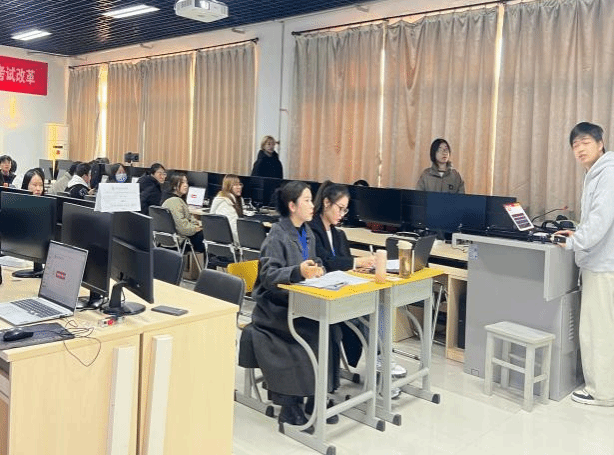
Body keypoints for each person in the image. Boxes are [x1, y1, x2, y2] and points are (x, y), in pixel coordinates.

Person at [250, 181, 341, 426]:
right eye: (307, 201)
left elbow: (313, 261)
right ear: (292, 206)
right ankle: (290, 404)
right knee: (308, 333)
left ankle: (316, 396)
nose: (312, 206)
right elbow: (268, 276)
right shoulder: (277, 235)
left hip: (300, 303)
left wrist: (318, 269)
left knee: (331, 331)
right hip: (274, 309)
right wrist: (297, 272)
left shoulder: (307, 233)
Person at [555, 122, 614, 407]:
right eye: (575, 145)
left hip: (603, 264)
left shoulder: (608, 173)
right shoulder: (595, 173)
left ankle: (601, 392)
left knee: (597, 329)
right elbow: (596, 221)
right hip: (601, 261)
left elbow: (601, 221)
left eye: (586, 142)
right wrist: (577, 231)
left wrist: (574, 241)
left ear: (601, 144)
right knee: (602, 327)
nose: (579, 148)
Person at [161, 173, 205, 253]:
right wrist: (196, 228)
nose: (186, 185)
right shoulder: (174, 202)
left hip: (169, 239)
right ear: (174, 186)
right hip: (180, 240)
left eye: (186, 182)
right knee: (209, 238)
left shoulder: (169, 198)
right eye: (182, 183)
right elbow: (183, 228)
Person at [209, 175, 244, 243]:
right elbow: (233, 229)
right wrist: (244, 243)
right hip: (229, 244)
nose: (239, 187)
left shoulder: (230, 199)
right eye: (235, 185)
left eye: (240, 184)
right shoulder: (226, 204)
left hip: (219, 242)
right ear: (228, 187)